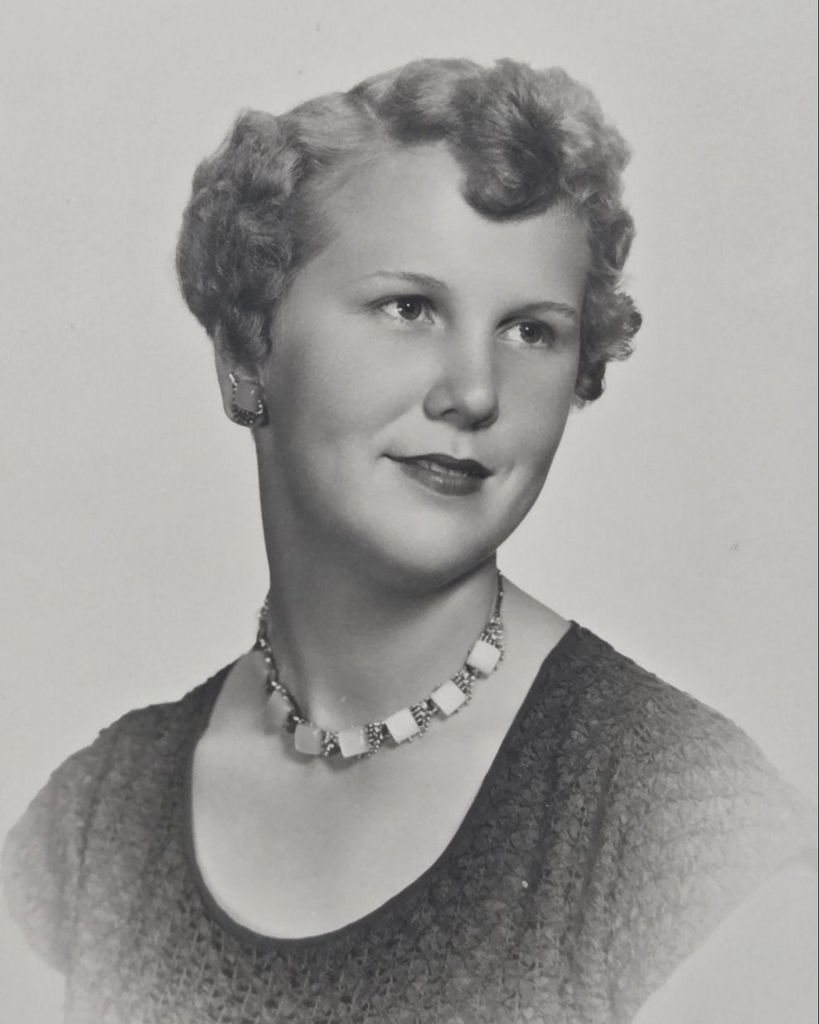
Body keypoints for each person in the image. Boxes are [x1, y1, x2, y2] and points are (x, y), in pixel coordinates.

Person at [2, 57, 814, 1024]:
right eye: (409, 308)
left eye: (530, 331)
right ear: (246, 350)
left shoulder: (677, 821)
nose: (472, 392)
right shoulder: (95, 828)